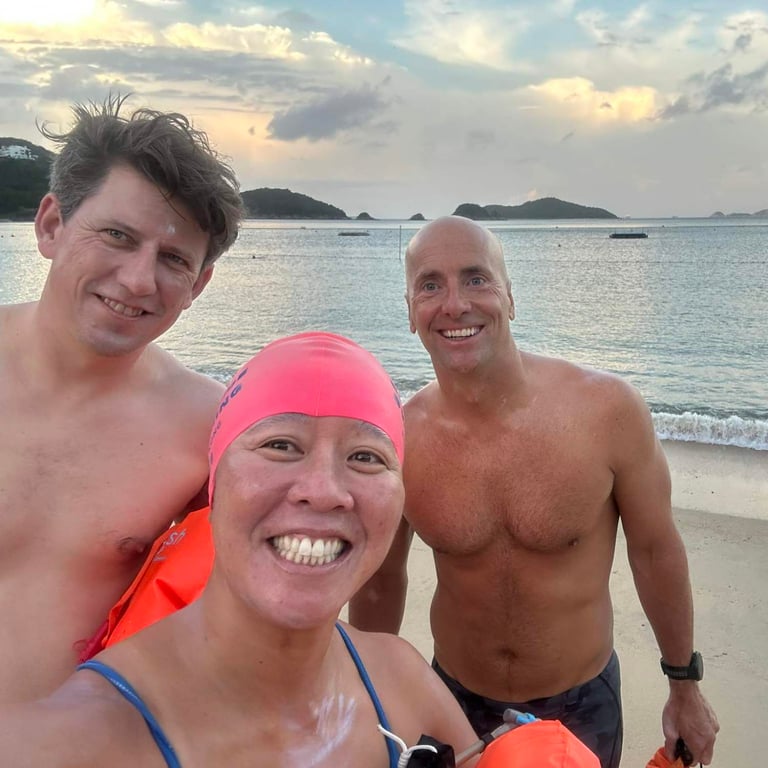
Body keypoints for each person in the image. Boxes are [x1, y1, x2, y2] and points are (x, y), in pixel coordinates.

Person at [0, 332, 481, 767]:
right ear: (215, 482)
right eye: (280, 445)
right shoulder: (70, 740)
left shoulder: (401, 680)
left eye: (365, 456)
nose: (323, 489)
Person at [350, 216, 720, 767]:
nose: (454, 304)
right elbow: (381, 581)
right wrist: (367, 693)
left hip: (580, 703)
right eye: (430, 285)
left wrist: (684, 685)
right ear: (409, 311)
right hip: (453, 700)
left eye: (476, 279)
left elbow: (655, 551)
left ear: (510, 297)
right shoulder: (400, 438)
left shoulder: (606, 412)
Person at [0, 94, 244, 706]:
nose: (138, 280)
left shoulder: (210, 430)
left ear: (200, 284)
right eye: (116, 235)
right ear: (52, 224)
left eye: (173, 259)